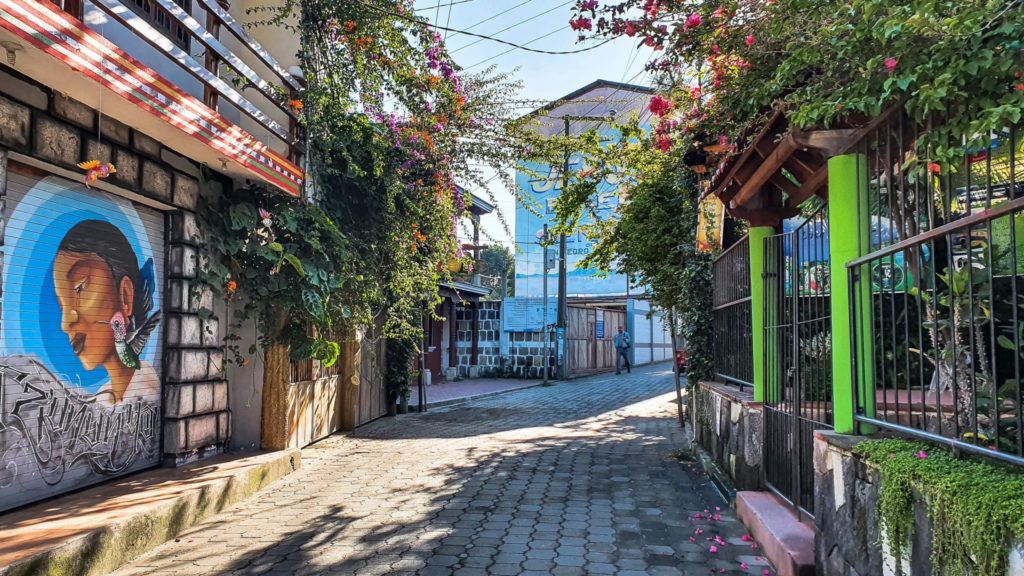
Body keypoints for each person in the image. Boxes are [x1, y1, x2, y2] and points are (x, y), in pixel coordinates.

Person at [53, 220, 160, 406]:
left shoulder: (149, 393)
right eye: (62, 306)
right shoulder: (102, 401)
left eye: (79, 289)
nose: (65, 323)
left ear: (126, 298)